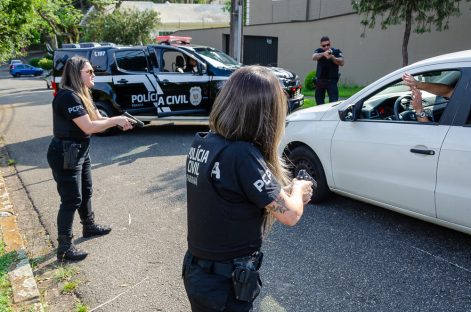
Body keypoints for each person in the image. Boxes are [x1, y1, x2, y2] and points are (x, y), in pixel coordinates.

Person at [182, 66, 313, 311]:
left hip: (199, 272)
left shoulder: (204, 141)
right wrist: (298, 189)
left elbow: (232, 192)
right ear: (266, 114)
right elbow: (291, 214)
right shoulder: (242, 154)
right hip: (224, 283)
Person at [47, 56, 134, 262]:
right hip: (66, 151)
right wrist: (117, 120)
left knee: (86, 190)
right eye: (89, 72)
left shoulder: (83, 94)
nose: (94, 74)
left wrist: (120, 121)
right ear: (77, 74)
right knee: (71, 199)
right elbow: (88, 127)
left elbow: (97, 119)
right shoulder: (68, 97)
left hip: (80, 150)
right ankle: (65, 247)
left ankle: (89, 226)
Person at [312, 36, 344, 104]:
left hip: (331, 81)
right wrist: (323, 54)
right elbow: (314, 57)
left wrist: (332, 57)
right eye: (324, 45)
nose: (326, 47)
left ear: (330, 43)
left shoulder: (336, 51)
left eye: (328, 45)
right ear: (321, 45)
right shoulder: (319, 51)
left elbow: (342, 62)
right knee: (319, 103)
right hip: (320, 81)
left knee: (333, 103)